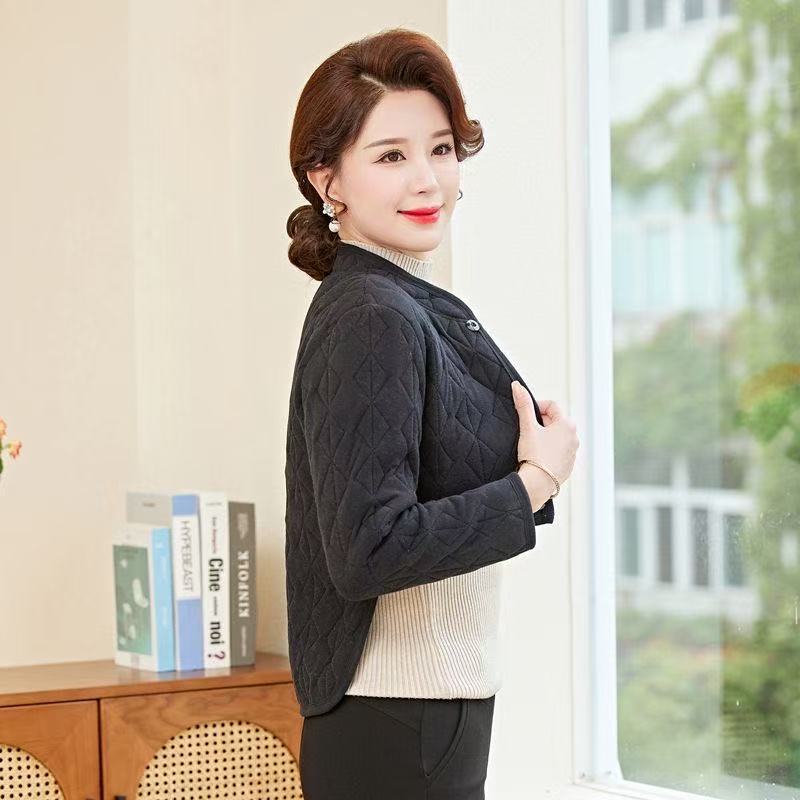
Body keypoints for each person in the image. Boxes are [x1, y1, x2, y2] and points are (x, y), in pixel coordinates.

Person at [284, 27, 579, 799]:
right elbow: (369, 548)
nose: (427, 180)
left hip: (419, 716)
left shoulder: (395, 300)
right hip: (398, 722)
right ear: (327, 179)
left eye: (441, 149)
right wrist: (534, 484)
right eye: (391, 156)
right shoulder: (372, 314)